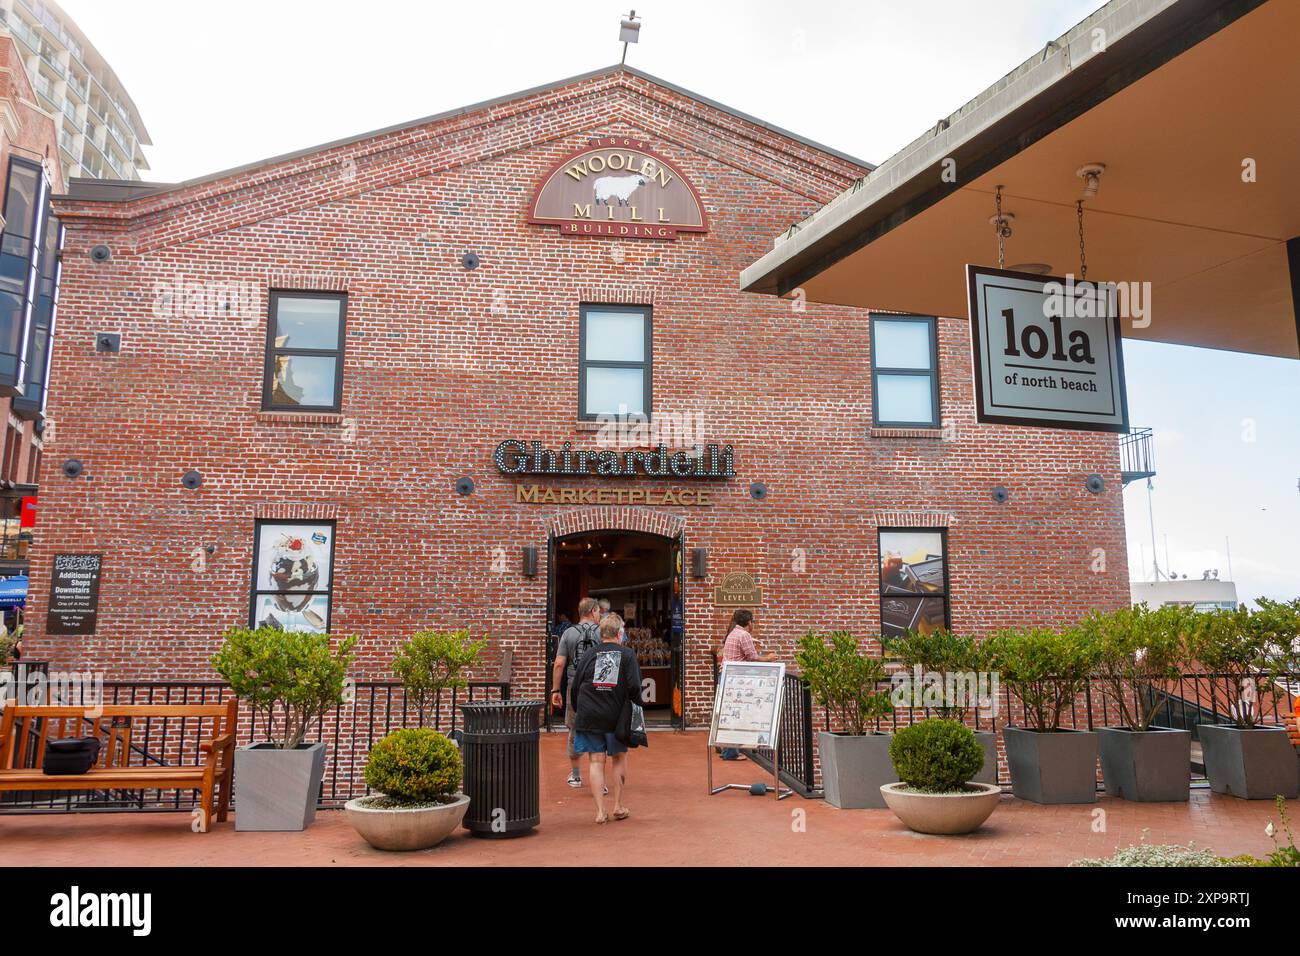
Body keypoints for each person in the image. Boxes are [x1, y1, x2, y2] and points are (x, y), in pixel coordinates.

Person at [569, 613, 643, 824]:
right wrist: (636, 707)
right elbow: (635, 686)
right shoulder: (627, 654)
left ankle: (600, 812)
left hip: (590, 712)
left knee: (595, 760)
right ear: (620, 633)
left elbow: (575, 686)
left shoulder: (589, 654)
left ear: (601, 634)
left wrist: (579, 709)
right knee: (619, 756)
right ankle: (618, 806)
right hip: (616, 713)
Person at [551, 597, 602, 788]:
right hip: (599, 687)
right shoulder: (602, 632)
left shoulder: (568, 633)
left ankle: (576, 775)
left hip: (575, 687)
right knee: (599, 728)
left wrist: (556, 690)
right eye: (598, 612)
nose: (599, 615)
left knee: (574, 728)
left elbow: (559, 664)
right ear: (593, 611)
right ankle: (599, 779)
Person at [717, 609, 775, 760]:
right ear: (749, 622)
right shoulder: (744, 635)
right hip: (737, 680)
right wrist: (769, 658)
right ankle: (731, 753)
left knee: (728, 714)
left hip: (726, 676)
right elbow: (752, 657)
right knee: (737, 715)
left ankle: (726, 750)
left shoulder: (733, 633)